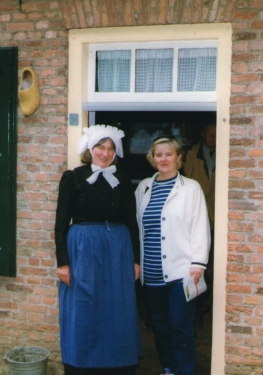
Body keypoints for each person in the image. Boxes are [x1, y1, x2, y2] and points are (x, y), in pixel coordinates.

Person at [55, 125, 142, 375]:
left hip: (117, 250)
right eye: (100, 147)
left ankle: (117, 365)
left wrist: (135, 260)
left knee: (117, 305)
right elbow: (61, 223)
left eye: (110, 149)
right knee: (83, 305)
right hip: (82, 249)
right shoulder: (73, 178)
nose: (105, 153)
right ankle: (81, 365)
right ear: (90, 149)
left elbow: (131, 221)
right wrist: (63, 262)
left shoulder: (123, 179)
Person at [135, 136, 210, 375]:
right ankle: (168, 369)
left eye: (169, 154)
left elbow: (200, 227)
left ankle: (184, 371)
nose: (164, 159)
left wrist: (198, 263)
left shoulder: (190, 188)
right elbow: (137, 228)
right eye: (159, 155)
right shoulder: (143, 187)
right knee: (160, 326)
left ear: (179, 158)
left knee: (181, 327)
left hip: (182, 272)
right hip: (152, 273)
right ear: (152, 158)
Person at [183, 123, 216, 228]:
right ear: (203, 134)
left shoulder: (225, 154)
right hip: (194, 209)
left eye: (215, 134)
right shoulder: (189, 153)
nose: (212, 137)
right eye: (209, 133)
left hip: (215, 213)